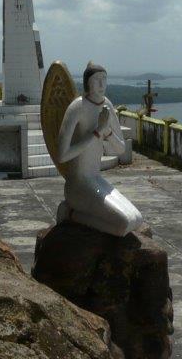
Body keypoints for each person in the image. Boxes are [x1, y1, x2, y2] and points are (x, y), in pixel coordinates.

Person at [54, 61, 142, 236]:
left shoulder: (106, 105)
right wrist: (96, 132)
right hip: (78, 185)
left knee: (136, 218)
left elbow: (120, 149)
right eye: (96, 80)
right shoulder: (77, 107)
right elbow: (62, 156)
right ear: (87, 83)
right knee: (123, 224)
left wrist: (107, 132)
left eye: (104, 79)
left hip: (96, 179)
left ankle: (75, 214)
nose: (101, 84)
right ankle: (70, 213)